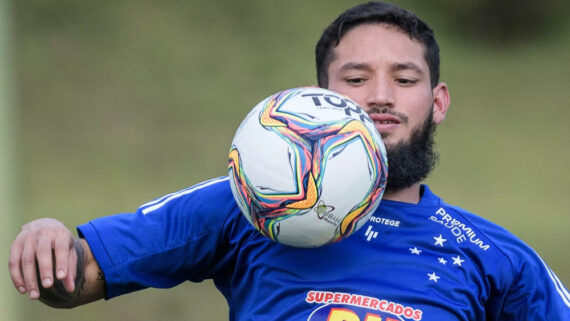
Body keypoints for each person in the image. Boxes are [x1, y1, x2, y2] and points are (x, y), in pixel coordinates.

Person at [9, 1, 570, 320]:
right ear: (319, 97)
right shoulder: (248, 205)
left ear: (437, 101)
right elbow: (77, 276)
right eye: (355, 79)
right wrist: (48, 241)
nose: (380, 96)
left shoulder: (496, 257)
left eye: (404, 79)